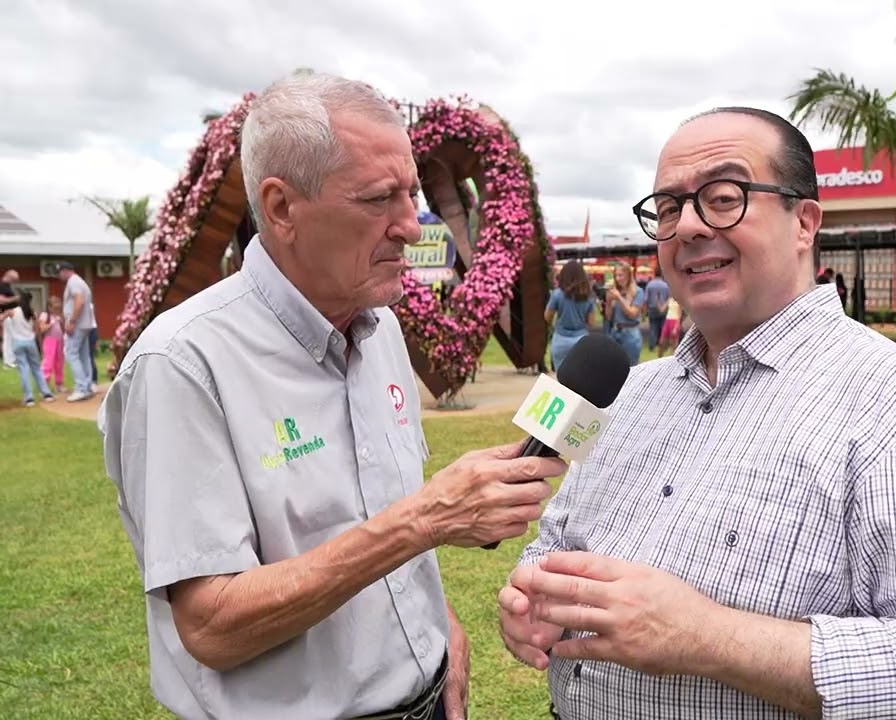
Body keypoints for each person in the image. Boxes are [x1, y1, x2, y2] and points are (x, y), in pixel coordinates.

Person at [498, 107, 896, 719]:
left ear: (804, 223)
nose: (687, 226)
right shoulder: (626, 391)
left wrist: (706, 637)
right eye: (667, 209)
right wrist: (533, 596)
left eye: (723, 198)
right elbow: (555, 540)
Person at [97, 70, 566, 720]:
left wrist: (439, 629)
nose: (412, 226)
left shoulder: (381, 330)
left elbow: (378, 516)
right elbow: (211, 627)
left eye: (411, 193)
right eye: (378, 199)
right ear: (282, 208)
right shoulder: (183, 363)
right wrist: (425, 520)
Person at [546, 260, 597, 371]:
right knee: (581, 376)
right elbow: (591, 323)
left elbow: (547, 317)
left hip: (560, 339)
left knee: (561, 377)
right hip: (581, 339)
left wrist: (554, 324)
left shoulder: (557, 294)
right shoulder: (588, 296)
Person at [57, 260, 97, 401]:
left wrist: (72, 321)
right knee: (84, 356)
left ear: (65, 271)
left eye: (59, 272)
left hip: (77, 324)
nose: (59, 276)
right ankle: (87, 386)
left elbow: (79, 300)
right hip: (85, 324)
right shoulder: (81, 281)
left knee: (71, 354)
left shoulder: (73, 282)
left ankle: (81, 388)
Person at [605, 262, 643, 365]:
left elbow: (632, 314)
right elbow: (608, 317)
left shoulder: (638, 292)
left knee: (631, 367)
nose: (617, 278)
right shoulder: (615, 291)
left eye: (620, 275)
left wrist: (619, 298)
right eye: (616, 275)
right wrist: (608, 302)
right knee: (613, 366)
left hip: (630, 334)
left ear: (628, 275)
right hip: (615, 332)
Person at [37, 296, 66, 394]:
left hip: (60, 341)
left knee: (59, 363)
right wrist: (51, 323)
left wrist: (61, 322)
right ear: (49, 307)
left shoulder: (59, 316)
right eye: (55, 307)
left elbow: (63, 329)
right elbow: (42, 329)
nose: (57, 309)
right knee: (48, 363)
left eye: (58, 308)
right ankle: (43, 386)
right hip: (49, 341)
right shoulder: (45, 315)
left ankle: (59, 384)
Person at [642, 264, 669, 351]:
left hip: (652, 308)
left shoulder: (650, 285)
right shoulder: (666, 285)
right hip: (664, 308)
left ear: (654, 273)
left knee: (653, 327)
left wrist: (644, 313)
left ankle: (652, 345)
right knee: (663, 327)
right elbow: (669, 298)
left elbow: (645, 299)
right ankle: (662, 344)